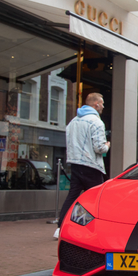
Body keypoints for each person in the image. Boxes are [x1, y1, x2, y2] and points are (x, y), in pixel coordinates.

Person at [54, 93, 110, 239]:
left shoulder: (73, 122)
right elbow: (99, 148)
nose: (103, 106)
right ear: (96, 104)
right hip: (91, 165)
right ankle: (99, 230)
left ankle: (60, 228)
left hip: (75, 164)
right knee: (98, 198)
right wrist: (107, 145)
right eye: (102, 103)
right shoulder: (97, 122)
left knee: (73, 195)